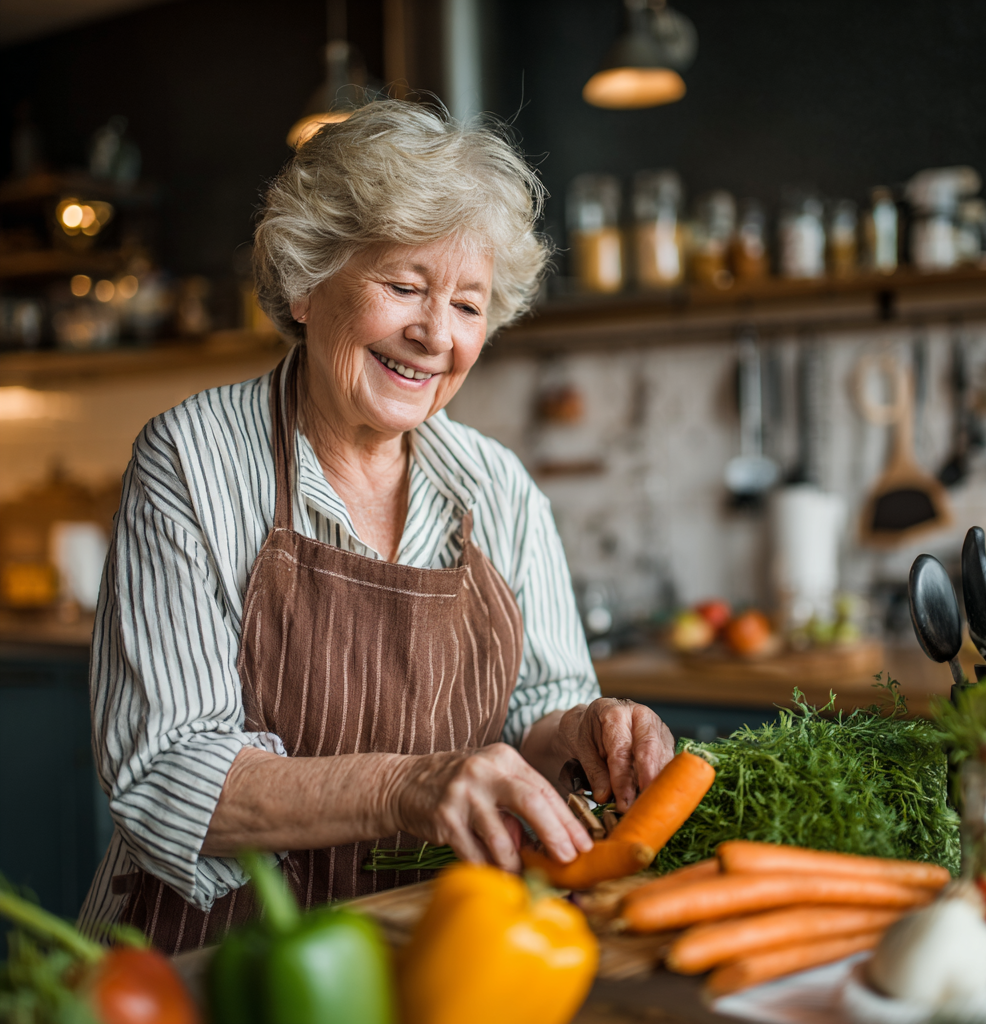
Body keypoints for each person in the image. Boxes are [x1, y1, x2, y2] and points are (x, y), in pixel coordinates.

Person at [79, 100, 674, 954]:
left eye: (468, 306)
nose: (436, 335)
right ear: (305, 281)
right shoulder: (194, 460)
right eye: (403, 287)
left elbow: (539, 717)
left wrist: (585, 736)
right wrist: (410, 787)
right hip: (215, 960)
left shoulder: (497, 487)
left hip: (431, 952)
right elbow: (167, 772)